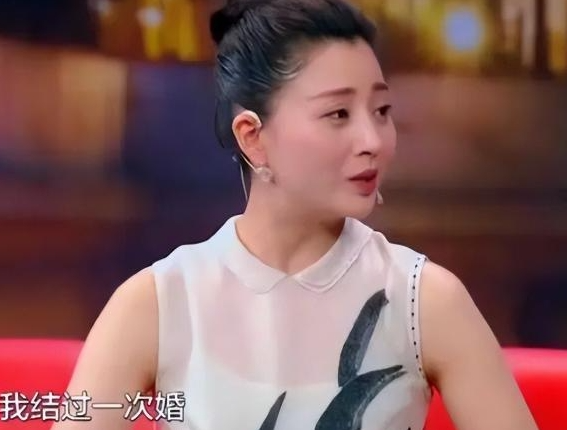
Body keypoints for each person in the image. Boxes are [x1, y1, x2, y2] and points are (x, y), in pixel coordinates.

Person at [52, 0, 538, 429]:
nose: (372, 141)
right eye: (338, 114)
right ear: (253, 137)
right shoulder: (159, 303)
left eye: (382, 110)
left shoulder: (422, 302)